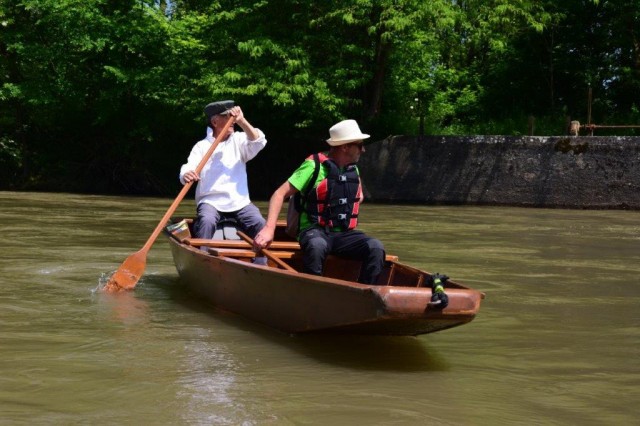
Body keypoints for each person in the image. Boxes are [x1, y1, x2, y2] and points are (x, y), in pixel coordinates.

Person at [253, 119, 385, 284]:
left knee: (375, 247)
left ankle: (366, 293)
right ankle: (315, 292)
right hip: (314, 230)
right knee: (317, 246)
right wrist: (269, 228)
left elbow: (358, 198)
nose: (363, 149)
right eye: (359, 145)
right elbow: (279, 194)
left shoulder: (353, 170)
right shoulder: (313, 167)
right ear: (345, 147)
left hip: (343, 234)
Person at [179, 100, 267, 242]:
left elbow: (258, 141)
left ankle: (260, 262)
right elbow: (188, 167)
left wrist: (242, 121)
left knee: (260, 223)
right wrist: (187, 174)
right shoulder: (202, 146)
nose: (232, 121)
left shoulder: (238, 140)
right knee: (207, 221)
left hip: (240, 202)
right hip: (211, 201)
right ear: (215, 121)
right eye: (228, 117)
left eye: (233, 117)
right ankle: (203, 258)